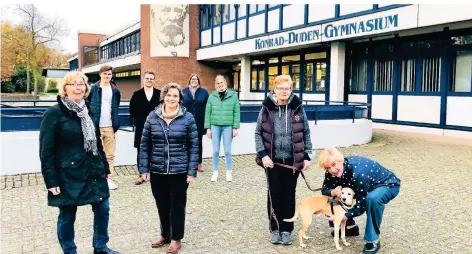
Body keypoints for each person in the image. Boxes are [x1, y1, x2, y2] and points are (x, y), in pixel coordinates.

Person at [39, 71, 119, 254]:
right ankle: (69, 250)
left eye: (81, 84)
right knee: (67, 214)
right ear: (65, 89)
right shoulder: (54, 114)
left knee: (103, 208)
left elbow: (97, 143)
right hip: (67, 174)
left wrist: (105, 166)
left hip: (92, 170)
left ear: (86, 88)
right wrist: (51, 180)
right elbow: (46, 151)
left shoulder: (88, 110)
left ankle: (100, 247)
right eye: (73, 84)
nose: (77, 87)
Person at [138, 83, 198, 254]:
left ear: (180, 99)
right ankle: (164, 234)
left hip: (179, 171)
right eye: (169, 95)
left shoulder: (188, 118)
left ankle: (176, 238)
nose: (172, 98)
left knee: (177, 205)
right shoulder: (152, 116)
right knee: (162, 204)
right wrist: (143, 169)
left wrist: (192, 170)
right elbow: (144, 145)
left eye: (176, 96)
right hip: (157, 170)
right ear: (163, 96)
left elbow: (194, 145)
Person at [254, 74, 313, 245]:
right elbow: (258, 132)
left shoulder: (298, 108)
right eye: (280, 88)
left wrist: (307, 156)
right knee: (274, 195)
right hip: (272, 162)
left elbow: (306, 132)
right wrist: (263, 155)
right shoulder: (266, 108)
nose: (283, 91)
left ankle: (286, 230)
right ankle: (275, 229)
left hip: (292, 161)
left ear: (291, 90)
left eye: (286, 88)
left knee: (289, 195)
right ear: (274, 89)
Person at [317, 147, 401, 253]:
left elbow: (361, 205)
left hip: (387, 185)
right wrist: (332, 192)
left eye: (333, 165)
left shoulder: (358, 172)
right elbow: (325, 190)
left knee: (372, 199)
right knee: (333, 197)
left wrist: (345, 216)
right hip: (362, 186)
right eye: (328, 168)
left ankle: (372, 241)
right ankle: (350, 227)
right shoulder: (331, 173)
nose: (332, 170)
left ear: (340, 160)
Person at [87, 65, 121, 190]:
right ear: (100, 74)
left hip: (109, 127)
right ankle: (94, 179)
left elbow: (115, 108)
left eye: (109, 74)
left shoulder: (115, 90)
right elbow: (87, 105)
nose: (107, 76)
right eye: (105, 74)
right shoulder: (93, 89)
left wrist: (115, 123)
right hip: (95, 126)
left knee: (110, 154)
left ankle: (108, 179)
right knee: (94, 153)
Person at [204, 74, 240, 182]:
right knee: (215, 151)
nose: (220, 85)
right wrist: (208, 128)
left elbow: (236, 111)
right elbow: (207, 112)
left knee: (228, 150)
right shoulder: (212, 96)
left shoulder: (233, 95)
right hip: (215, 125)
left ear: (225, 83)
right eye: (218, 83)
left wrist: (235, 127)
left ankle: (229, 172)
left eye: (222, 82)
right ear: (215, 85)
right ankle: (215, 172)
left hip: (228, 126)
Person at [129, 71, 161, 185]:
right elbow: (132, 111)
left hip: (156, 127)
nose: (149, 80)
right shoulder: (136, 94)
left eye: (151, 79)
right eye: (147, 78)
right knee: (141, 151)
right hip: (141, 127)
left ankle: (154, 175)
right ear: (143, 79)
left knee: (156, 151)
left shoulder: (159, 94)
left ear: (154, 80)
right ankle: (141, 175)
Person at [182, 73, 209, 173]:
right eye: (192, 79)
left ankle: (198, 163)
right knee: (186, 142)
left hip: (199, 122)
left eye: (196, 79)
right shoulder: (183, 91)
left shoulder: (204, 92)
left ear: (198, 81)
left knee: (198, 143)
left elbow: (209, 107)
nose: (194, 80)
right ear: (189, 81)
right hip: (186, 122)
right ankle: (187, 162)